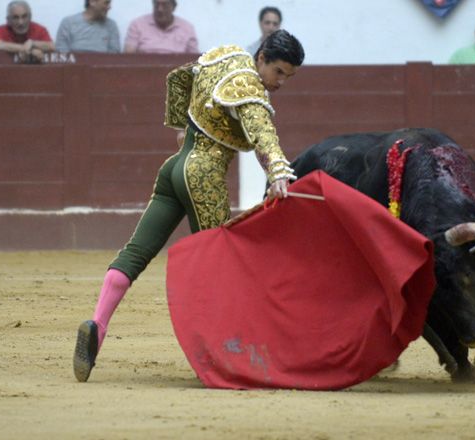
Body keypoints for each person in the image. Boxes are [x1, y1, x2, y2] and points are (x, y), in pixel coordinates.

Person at [73, 29, 305, 382]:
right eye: (279, 72)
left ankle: (98, 324)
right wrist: (278, 172)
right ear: (262, 58)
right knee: (221, 265)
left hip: (174, 167)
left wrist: (182, 126)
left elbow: (179, 78)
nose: (282, 82)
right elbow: (263, 133)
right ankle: (219, 355)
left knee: (136, 251)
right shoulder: (250, 88)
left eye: (289, 76)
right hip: (204, 175)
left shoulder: (226, 54)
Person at [124, 0, 198, 54]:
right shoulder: (137, 25)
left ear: (173, 7)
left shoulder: (187, 28)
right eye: (156, 4)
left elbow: (194, 61)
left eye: (164, 5)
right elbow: (128, 55)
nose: (160, 9)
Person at [55, 0, 120, 53]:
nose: (109, 7)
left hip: (101, 67)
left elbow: (114, 56)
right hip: (73, 68)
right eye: (106, 3)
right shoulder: (68, 23)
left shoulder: (111, 26)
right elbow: (61, 53)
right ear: (92, 2)